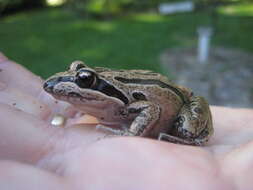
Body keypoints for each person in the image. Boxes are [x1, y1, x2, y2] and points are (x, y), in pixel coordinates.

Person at [0, 52, 252, 189]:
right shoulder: (110, 104)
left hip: (181, 106)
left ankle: (194, 138)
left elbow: (150, 108)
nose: (71, 83)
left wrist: (130, 135)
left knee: (186, 130)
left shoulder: (127, 105)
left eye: (85, 79)